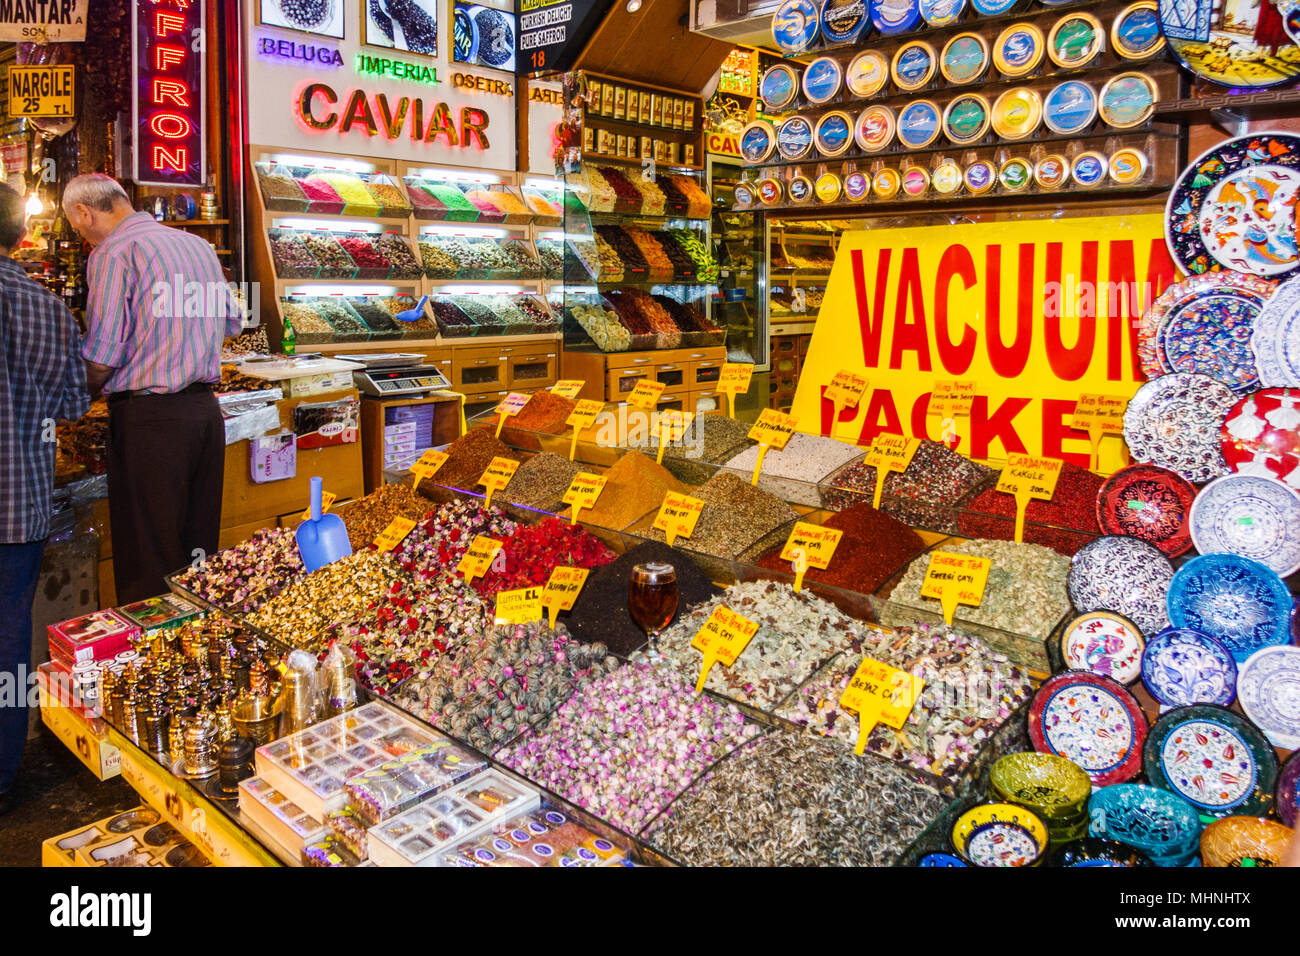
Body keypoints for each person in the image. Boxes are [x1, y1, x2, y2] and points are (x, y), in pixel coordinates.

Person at [63, 173, 246, 604]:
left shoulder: (113, 253)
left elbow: (102, 353)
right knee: (198, 555)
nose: (81, 236)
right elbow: (233, 321)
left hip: (150, 422)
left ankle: (153, 657)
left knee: (150, 559)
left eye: (77, 226)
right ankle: (200, 654)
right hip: (204, 414)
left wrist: (70, 402)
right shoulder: (197, 246)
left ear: (85, 212)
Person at [0, 182, 90, 812]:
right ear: (21, 235)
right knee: (8, 641)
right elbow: (72, 404)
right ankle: (3, 779)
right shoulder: (48, 308)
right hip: (17, 502)